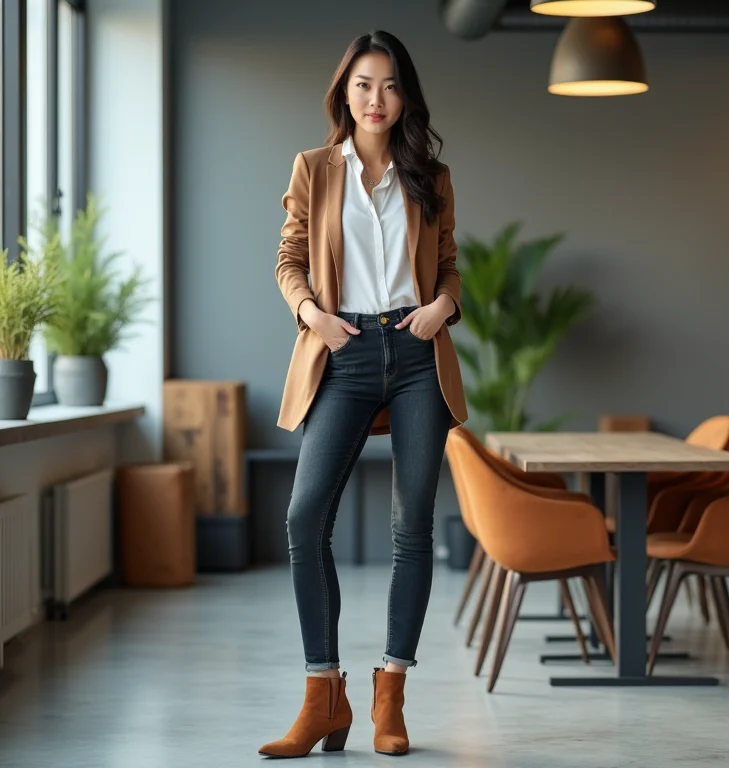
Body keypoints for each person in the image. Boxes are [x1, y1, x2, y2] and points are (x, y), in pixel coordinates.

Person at [259, 29, 468, 759]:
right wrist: (312, 315)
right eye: (363, 84)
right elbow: (289, 258)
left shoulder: (430, 176)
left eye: (389, 85)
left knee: (412, 526)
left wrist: (442, 307)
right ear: (344, 94)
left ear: (405, 96)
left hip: (416, 354)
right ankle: (324, 696)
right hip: (341, 351)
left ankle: (391, 695)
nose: (376, 99)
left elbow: (449, 266)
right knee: (304, 516)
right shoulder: (314, 169)